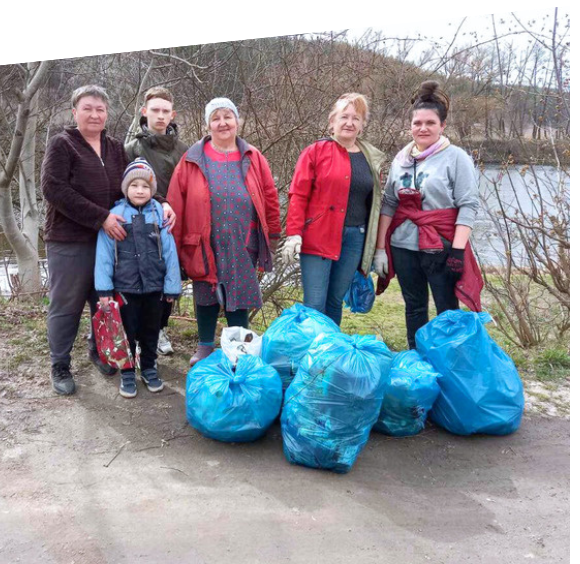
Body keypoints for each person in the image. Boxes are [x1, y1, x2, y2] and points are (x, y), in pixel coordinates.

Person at [167, 98, 281, 366]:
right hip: (204, 238)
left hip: (244, 238)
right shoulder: (192, 158)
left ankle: (239, 346)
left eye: (227, 116)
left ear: (237, 121)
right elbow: (176, 201)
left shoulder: (253, 156)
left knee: (239, 294)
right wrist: (175, 243)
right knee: (205, 290)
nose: (222, 123)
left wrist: (272, 234)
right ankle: (205, 345)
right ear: (208, 124)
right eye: (215, 118)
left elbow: (269, 195)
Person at [374, 81, 482, 349]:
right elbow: (389, 203)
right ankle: (418, 361)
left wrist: (457, 251)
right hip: (403, 245)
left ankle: (449, 362)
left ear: (442, 125)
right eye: (417, 123)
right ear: (410, 125)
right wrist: (380, 250)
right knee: (414, 306)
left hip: (441, 246)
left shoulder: (456, 158)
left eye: (430, 123)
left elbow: (468, 205)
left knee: (446, 309)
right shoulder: (400, 158)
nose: (422, 128)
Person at [41, 85, 129, 395]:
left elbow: (132, 186)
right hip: (69, 240)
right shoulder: (62, 144)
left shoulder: (116, 147)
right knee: (66, 304)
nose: (94, 114)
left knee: (103, 300)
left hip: (108, 242)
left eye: (100, 109)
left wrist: (162, 202)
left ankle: (100, 350)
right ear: (74, 111)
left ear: (107, 114)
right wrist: (101, 217)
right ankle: (60, 364)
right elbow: (54, 189)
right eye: (88, 108)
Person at [283, 93, 386, 325]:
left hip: (355, 238)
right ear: (332, 121)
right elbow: (298, 195)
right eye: (344, 117)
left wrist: (378, 248)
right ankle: (310, 357)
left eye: (356, 118)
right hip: (318, 237)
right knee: (315, 303)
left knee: (334, 300)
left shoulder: (371, 158)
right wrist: (294, 234)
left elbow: (377, 204)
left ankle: (329, 353)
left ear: (362, 125)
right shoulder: (315, 152)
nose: (350, 123)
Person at [94, 160, 180, 397]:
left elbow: (171, 253)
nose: (140, 190)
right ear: (125, 188)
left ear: (152, 190)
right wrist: (103, 290)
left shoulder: (159, 215)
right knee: (128, 333)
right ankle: (128, 372)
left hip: (155, 288)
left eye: (145, 185)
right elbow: (103, 255)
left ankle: (150, 367)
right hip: (125, 288)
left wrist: (172, 287)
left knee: (151, 330)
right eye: (134, 185)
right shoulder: (115, 216)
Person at [125, 86, 186, 356]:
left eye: (165, 111)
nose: (160, 116)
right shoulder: (130, 149)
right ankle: (135, 336)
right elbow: (123, 188)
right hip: (140, 228)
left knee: (170, 280)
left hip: (176, 226)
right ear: (144, 112)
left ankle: (159, 329)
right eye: (155, 110)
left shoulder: (185, 150)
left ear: (172, 115)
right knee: (141, 282)